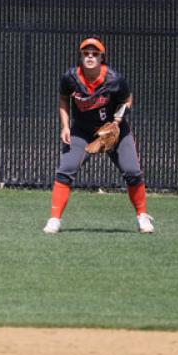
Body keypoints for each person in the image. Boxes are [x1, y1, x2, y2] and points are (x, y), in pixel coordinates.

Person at [43, 37, 155, 235]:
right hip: (82, 131)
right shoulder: (71, 77)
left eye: (95, 54)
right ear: (81, 56)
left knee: (132, 171)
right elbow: (63, 98)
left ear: (102, 57)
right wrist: (65, 126)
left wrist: (116, 123)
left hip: (114, 129)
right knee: (65, 170)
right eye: (86, 53)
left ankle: (142, 216)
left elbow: (127, 100)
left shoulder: (113, 79)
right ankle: (54, 219)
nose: (90, 56)